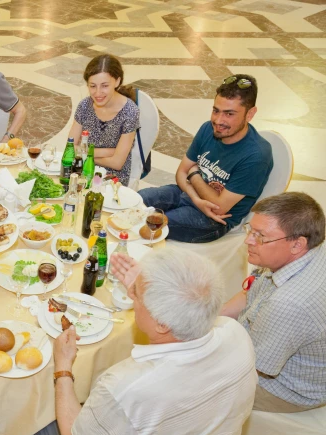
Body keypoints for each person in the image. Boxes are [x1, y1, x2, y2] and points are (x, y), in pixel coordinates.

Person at [24, 249, 256, 435]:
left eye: (137, 296)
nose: (132, 297)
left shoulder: (130, 386)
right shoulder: (236, 334)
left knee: (33, 425)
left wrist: (63, 368)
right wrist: (148, 282)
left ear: (161, 323)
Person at [221, 192, 326, 412]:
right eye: (251, 229)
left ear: (297, 245)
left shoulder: (288, 304)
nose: (248, 240)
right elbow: (253, 291)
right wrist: (212, 319)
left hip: (284, 389)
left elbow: (252, 366)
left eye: (260, 236)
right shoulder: (306, 250)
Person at [138, 74, 273, 243]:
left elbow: (219, 206)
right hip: (187, 194)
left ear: (250, 114)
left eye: (229, 114)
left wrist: (193, 174)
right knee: (135, 201)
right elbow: (181, 172)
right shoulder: (207, 129)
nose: (218, 120)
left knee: (150, 224)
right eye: (216, 110)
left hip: (212, 220)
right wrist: (196, 198)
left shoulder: (256, 155)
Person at [68, 54, 139, 185]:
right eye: (92, 86)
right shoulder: (84, 106)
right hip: (82, 172)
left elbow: (117, 163)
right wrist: (109, 152)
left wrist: (85, 155)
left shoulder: (130, 111)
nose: (98, 93)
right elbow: (70, 149)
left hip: (113, 178)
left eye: (104, 86)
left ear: (117, 81)